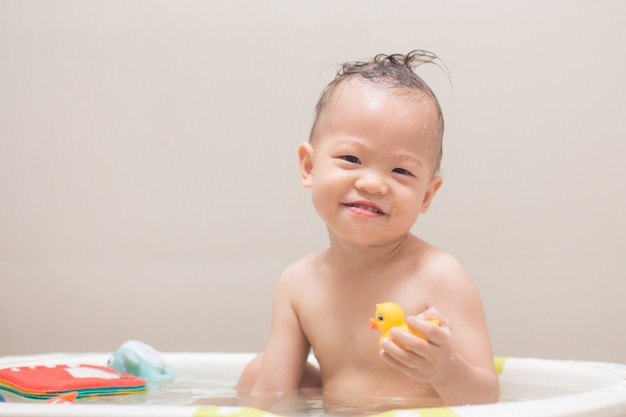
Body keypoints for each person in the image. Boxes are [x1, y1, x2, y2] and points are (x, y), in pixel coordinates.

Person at [237, 50, 499, 411]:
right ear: (309, 166)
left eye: (401, 171)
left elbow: (488, 400)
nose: (374, 184)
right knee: (255, 374)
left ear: (427, 195)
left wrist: (445, 369)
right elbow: (271, 397)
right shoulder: (297, 284)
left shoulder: (439, 277)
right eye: (352, 159)